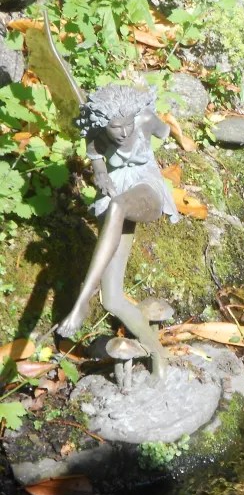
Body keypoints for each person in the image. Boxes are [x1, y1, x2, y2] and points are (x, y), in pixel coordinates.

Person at [58, 85, 178, 381]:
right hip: (117, 196)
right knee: (112, 299)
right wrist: (100, 176)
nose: (124, 132)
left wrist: (158, 124)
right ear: (102, 124)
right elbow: (97, 162)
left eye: (127, 124)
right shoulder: (96, 135)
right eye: (115, 127)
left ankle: (82, 300)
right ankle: (157, 355)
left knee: (116, 207)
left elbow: (165, 132)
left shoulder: (144, 120)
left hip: (146, 189)